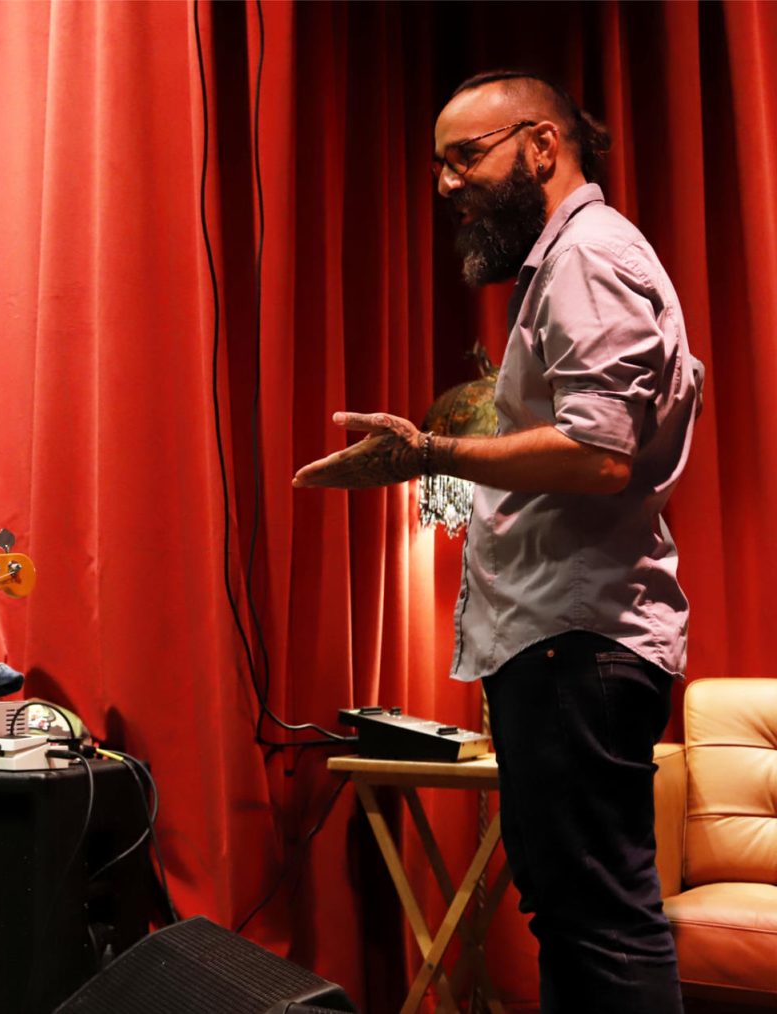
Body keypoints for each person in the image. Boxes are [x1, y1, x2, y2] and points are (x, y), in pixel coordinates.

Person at [294, 71, 701, 1012]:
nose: (445, 184)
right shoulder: (572, 261)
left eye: (465, 157)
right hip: (568, 640)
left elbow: (600, 455)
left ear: (545, 147)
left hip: (577, 642)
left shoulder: (590, 258)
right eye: (438, 165)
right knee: (574, 917)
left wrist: (429, 452)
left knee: (598, 920)